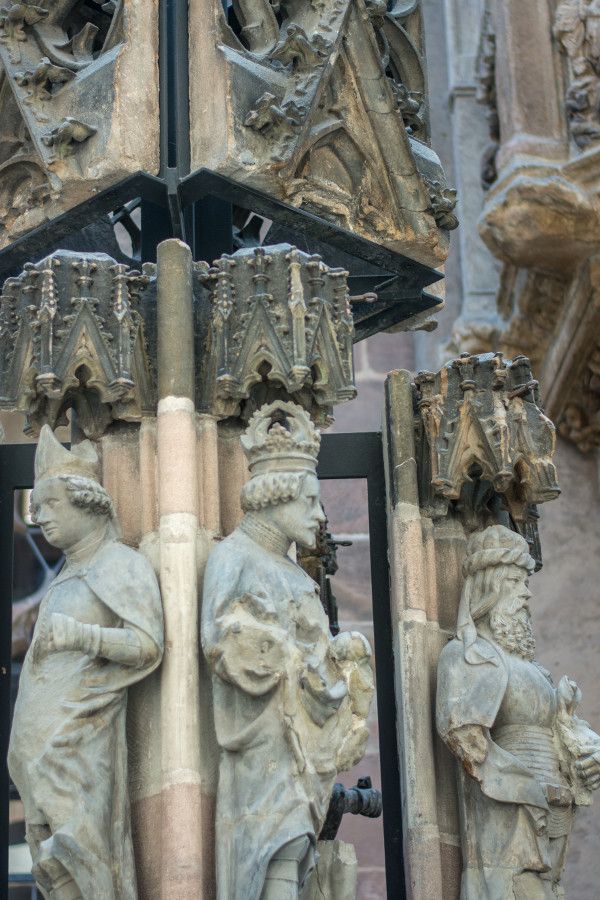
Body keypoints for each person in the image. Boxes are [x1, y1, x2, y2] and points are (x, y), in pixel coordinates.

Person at [202, 401, 373, 900]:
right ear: (277, 497)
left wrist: (339, 653)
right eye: (311, 502)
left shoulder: (298, 576)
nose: (320, 515)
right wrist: (283, 650)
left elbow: (315, 654)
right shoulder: (233, 556)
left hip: (303, 747)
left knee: (297, 848)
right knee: (270, 848)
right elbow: (219, 641)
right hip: (264, 738)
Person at [8, 425, 164, 900]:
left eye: (51, 505)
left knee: (82, 853)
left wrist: (82, 635)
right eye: (37, 508)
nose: (39, 517)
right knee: (53, 864)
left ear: (88, 502)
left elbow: (147, 644)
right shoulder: (66, 573)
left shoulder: (118, 564)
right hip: (40, 749)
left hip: (79, 741)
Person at [436, 524, 600, 899]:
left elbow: (564, 735)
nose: (526, 593)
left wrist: (588, 758)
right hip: (511, 813)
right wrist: (528, 788)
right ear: (489, 587)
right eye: (515, 581)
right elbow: (465, 737)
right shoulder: (467, 656)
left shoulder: (536, 672)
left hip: (553, 812)